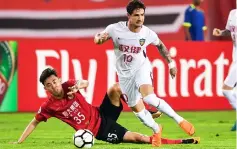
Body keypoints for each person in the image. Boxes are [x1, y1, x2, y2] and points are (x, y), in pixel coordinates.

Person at [94, 0, 195, 147]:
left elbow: (160, 45)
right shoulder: (115, 29)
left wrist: (171, 64)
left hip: (142, 68)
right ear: (128, 15)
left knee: (150, 98)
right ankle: (156, 129)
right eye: (136, 15)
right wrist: (98, 39)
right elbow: (100, 37)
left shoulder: (147, 33)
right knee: (139, 112)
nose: (140, 18)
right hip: (125, 76)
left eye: (142, 15)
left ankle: (179, 120)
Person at [11, 68, 200, 146]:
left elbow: (84, 82)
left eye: (55, 81)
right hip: (100, 131)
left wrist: (78, 86)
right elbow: (34, 122)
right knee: (138, 138)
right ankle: (180, 142)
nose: (54, 86)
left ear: (59, 79)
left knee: (116, 88)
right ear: (45, 88)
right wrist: (19, 142)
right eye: (49, 85)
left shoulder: (69, 85)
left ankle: (144, 110)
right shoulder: (49, 106)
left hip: (101, 112)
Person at [213, 9, 237, 131]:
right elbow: (229, 31)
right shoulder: (232, 13)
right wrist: (221, 32)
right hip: (235, 58)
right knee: (234, 92)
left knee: (226, 90)